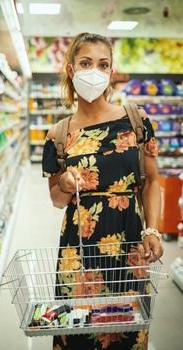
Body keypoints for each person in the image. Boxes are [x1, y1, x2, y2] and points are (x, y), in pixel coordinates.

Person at [42, 32, 163, 350]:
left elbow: (152, 181)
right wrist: (65, 186)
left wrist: (153, 229)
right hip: (78, 252)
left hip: (130, 245)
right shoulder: (59, 133)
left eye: (102, 64)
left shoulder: (136, 121)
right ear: (71, 69)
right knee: (79, 334)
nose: (94, 71)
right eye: (85, 63)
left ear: (111, 71)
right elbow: (56, 200)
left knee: (127, 333)